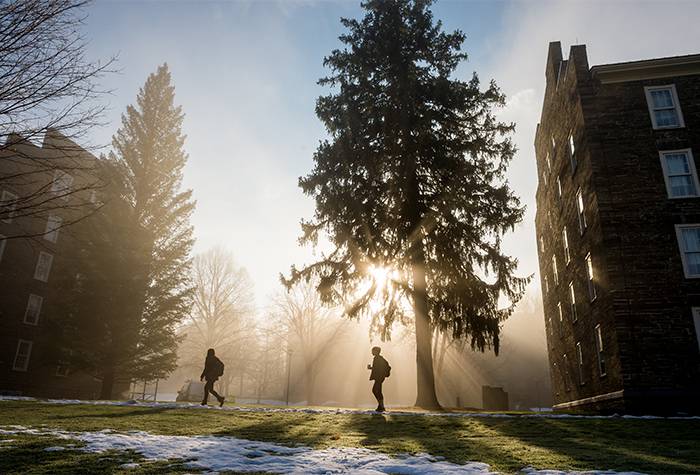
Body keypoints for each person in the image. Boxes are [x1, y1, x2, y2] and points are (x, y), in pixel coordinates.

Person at [367, 346, 391, 412]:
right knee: (376, 390)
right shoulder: (378, 358)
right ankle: (380, 406)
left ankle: (381, 406)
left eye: (373, 351)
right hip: (379, 377)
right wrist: (371, 368)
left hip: (379, 377)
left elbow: (382, 367)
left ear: (377, 351)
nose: (372, 352)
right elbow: (377, 368)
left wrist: (381, 374)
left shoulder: (378, 358)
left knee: (376, 390)